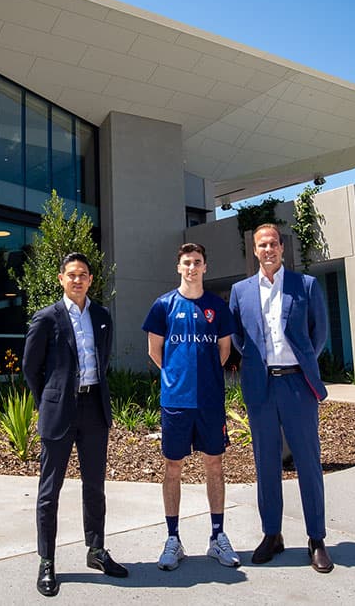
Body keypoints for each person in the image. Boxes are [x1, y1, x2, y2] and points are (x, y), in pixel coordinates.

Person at [228, 224, 334, 573]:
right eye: (262, 245)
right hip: (261, 387)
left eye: (274, 243)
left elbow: (319, 333)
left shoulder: (305, 285)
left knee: (307, 462)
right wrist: (259, 366)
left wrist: (302, 362)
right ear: (255, 251)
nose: (269, 249)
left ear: (282, 249)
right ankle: (272, 534)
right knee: (266, 464)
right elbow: (239, 339)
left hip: (297, 386)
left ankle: (316, 539)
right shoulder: (240, 291)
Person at [22, 252, 129, 597]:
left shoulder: (101, 316)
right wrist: (48, 402)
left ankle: (96, 550)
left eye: (84, 274)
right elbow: (30, 368)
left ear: (91, 280)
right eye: (72, 275)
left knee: (95, 486)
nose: (78, 280)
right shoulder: (46, 318)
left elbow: (104, 358)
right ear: (61, 279)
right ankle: (47, 561)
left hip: (94, 409)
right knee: (49, 491)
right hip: (59, 412)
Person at [142, 243, 240, 571]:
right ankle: (173, 539)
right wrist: (176, 377)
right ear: (179, 267)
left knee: (215, 466)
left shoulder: (217, 306)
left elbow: (224, 351)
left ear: (205, 267)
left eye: (197, 262)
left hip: (210, 402)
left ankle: (217, 537)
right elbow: (155, 351)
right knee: (173, 468)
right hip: (176, 403)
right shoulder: (163, 306)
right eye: (186, 262)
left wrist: (206, 379)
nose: (192, 268)